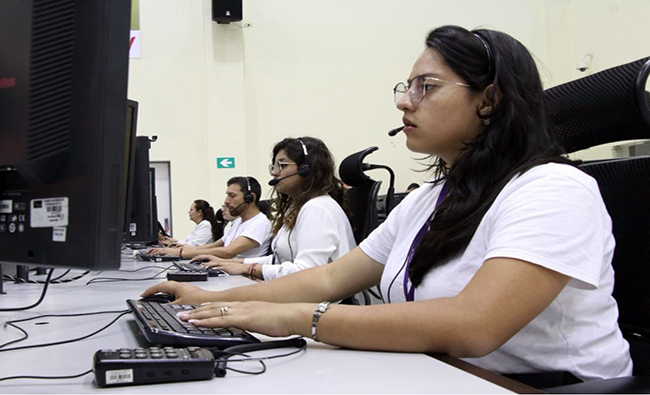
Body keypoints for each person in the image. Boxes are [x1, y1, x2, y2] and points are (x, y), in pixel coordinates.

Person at [143, 26, 632, 383]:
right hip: (439, 374)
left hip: (545, 385)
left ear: (489, 100)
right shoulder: (428, 200)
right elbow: (332, 278)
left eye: (427, 87)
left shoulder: (553, 189)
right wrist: (211, 301)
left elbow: (474, 325)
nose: (405, 102)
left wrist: (300, 319)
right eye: (407, 87)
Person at [194, 137, 356, 281]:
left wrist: (248, 269)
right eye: (274, 166)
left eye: (282, 165)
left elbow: (307, 272)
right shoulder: (299, 208)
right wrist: (230, 263)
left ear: (306, 169)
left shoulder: (317, 208)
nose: (274, 172)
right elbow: (281, 260)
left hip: (320, 305)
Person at [148, 177, 271, 260]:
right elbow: (214, 246)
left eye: (232, 196)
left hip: (242, 278)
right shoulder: (238, 222)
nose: (226, 201)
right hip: (227, 272)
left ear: (250, 198)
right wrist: (182, 248)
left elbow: (228, 252)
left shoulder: (260, 223)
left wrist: (181, 253)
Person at [158, 200, 222, 247]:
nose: (189, 212)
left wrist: (173, 244)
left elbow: (195, 245)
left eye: (191, 210)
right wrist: (174, 241)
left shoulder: (205, 225)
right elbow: (189, 243)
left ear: (199, 212)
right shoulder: (200, 225)